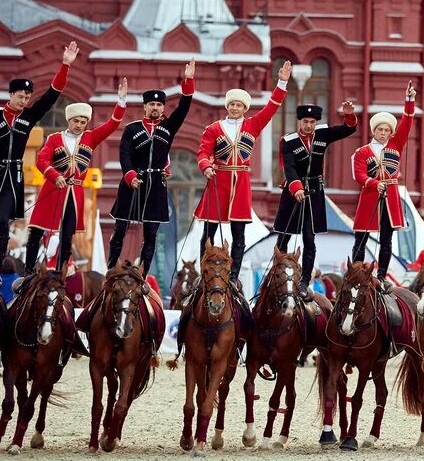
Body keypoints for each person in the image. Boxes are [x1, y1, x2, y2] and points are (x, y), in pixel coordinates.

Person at [0, 42, 79, 286]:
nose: (24, 100)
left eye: (27, 97)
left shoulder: (28, 117)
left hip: (11, 178)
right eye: (20, 96)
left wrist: (65, 65)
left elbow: (51, 95)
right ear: (10, 95)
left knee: (3, 223)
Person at [195, 60, 293, 287]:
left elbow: (272, 107)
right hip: (218, 180)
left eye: (239, 105)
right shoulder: (214, 129)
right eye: (232, 105)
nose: (235, 108)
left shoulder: (253, 125)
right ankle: (204, 272)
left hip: (240, 184)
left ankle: (233, 276)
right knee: (208, 233)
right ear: (227, 106)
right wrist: (206, 166)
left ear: (244, 108)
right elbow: (202, 152)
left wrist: (282, 82)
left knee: (239, 234)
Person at [24, 80, 128, 279]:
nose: (79, 125)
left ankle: (60, 273)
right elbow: (41, 160)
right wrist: (55, 176)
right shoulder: (54, 139)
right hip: (53, 189)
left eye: (83, 122)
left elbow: (113, 124)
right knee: (36, 231)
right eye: (76, 121)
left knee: (67, 235)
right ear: (69, 120)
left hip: (75, 193)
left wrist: (121, 101)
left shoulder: (91, 137)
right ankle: (28, 272)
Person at [108, 60, 196, 274]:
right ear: (145, 107)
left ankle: (143, 276)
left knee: (151, 235)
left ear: (163, 107)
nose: (155, 108)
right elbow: (124, 154)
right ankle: (111, 270)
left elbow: (184, 108)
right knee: (120, 230)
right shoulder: (132, 129)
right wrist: (129, 176)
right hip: (132, 183)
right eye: (152, 105)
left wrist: (189, 81)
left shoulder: (168, 127)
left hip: (156, 184)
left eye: (159, 105)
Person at [274, 101, 358, 294]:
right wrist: (296, 187)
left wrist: (349, 114)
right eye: (305, 121)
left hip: (314, 193)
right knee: (284, 237)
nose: (309, 125)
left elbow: (348, 130)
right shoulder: (288, 141)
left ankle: (304, 281)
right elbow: (289, 167)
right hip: (293, 191)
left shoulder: (322, 134)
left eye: (312, 121)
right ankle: (277, 272)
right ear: (300, 121)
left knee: (309, 239)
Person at [351, 83, 417, 290]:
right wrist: (373, 183)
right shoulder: (362, 152)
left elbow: (407, 122)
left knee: (387, 239)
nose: (383, 132)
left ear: (391, 132)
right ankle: (357, 271)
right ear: (374, 130)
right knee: (361, 237)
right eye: (380, 129)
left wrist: (409, 100)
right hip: (370, 195)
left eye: (387, 130)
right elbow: (359, 175)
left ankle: (381, 275)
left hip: (391, 196)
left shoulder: (396, 145)